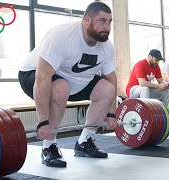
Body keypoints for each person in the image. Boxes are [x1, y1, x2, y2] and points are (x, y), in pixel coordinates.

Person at [18, 2, 117, 168]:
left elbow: (111, 78)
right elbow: (42, 78)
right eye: (102, 21)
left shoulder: (107, 48)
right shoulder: (62, 36)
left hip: (75, 80)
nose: (107, 27)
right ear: (87, 20)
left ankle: (85, 142)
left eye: (109, 22)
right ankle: (48, 147)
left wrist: (112, 112)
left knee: (107, 89)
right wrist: (43, 121)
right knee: (61, 86)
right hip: (33, 74)